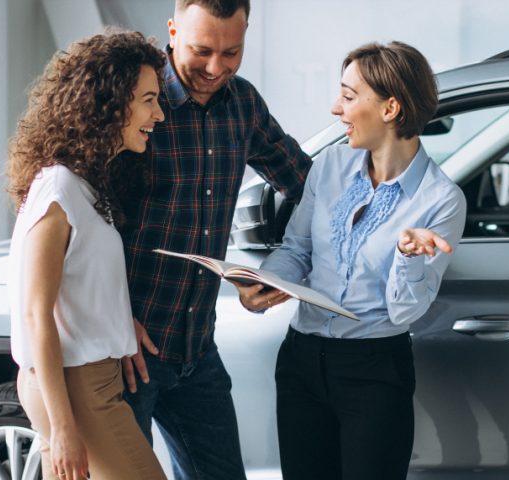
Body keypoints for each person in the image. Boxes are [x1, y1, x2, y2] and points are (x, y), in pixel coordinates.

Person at [235, 41, 467, 480]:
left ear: (390, 108)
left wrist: (407, 257)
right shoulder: (329, 167)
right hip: (301, 362)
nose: (335, 108)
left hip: (373, 372)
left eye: (347, 95)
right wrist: (267, 284)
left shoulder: (441, 201)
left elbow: (405, 311)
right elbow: (297, 249)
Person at [117, 1, 312, 479]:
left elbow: (307, 183)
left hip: (197, 349)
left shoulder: (243, 104)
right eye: (202, 50)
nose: (215, 68)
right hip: (125, 352)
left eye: (232, 52)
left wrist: (284, 270)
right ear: (171, 30)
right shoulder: (134, 101)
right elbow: (82, 224)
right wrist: (113, 318)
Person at [7, 29, 168, 480]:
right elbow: (38, 313)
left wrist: (118, 320)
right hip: (76, 390)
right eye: (148, 100)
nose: (158, 114)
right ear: (111, 102)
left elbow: (78, 286)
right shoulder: (58, 188)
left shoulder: (83, 186)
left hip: (86, 383)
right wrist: (62, 428)